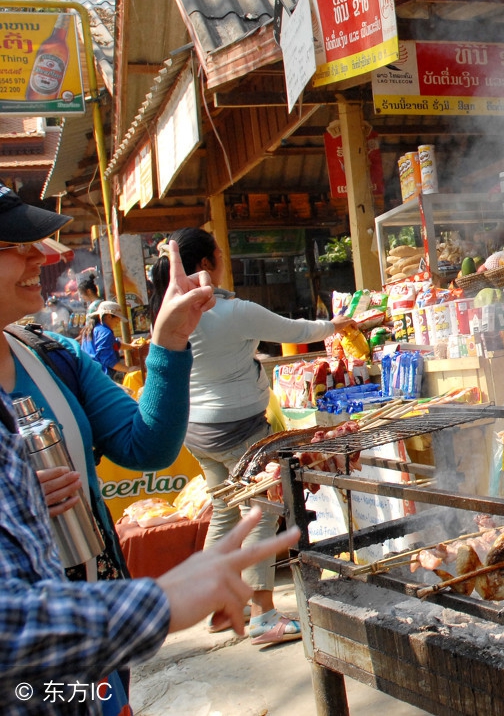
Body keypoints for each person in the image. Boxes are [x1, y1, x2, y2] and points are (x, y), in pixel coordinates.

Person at [0, 185, 300, 716]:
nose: (40, 258)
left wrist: (169, 341)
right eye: (15, 245)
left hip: (98, 647)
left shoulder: (52, 356)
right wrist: (158, 601)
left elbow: (149, 446)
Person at [149, 227, 353, 646]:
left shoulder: (165, 311)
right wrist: (336, 325)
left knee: (225, 513)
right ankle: (262, 613)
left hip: (197, 431)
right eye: (219, 255)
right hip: (238, 431)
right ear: (205, 264)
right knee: (261, 509)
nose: (223, 262)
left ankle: (220, 606)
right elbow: (295, 331)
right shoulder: (231, 311)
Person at [79, 300, 125, 376]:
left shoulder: (90, 330)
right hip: (99, 376)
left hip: (87, 373)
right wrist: (129, 369)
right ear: (109, 317)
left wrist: (131, 346)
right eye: (117, 321)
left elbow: (114, 345)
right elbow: (107, 359)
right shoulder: (105, 332)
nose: (117, 324)